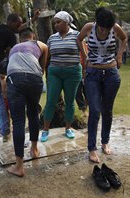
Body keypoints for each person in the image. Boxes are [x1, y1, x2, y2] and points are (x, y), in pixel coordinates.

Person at [77, 7, 127, 163]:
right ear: (97, 23)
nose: (104, 31)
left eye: (107, 29)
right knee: (95, 110)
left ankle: (105, 142)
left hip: (111, 74)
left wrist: (119, 56)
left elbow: (124, 39)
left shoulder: (115, 28)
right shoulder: (88, 27)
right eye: (102, 28)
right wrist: (85, 59)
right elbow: (79, 39)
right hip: (93, 75)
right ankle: (91, 148)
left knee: (107, 110)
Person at [0, 12, 40, 142]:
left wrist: (33, 19)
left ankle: (5, 132)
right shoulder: (10, 35)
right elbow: (14, 53)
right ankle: (18, 118)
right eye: (18, 25)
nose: (19, 27)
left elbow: (17, 28)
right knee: (13, 93)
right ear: (12, 23)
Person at [6, 27, 48, 177]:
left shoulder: (13, 49)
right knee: (33, 114)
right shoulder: (39, 44)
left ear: (20, 38)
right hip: (34, 79)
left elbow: (9, 69)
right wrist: (40, 71)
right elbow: (45, 55)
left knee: (18, 121)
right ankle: (34, 150)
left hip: (15, 79)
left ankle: (19, 167)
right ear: (33, 36)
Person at [40, 11, 82, 142]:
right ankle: (45, 130)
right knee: (51, 101)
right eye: (55, 23)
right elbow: (47, 56)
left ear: (67, 22)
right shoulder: (52, 38)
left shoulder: (77, 36)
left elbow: (84, 53)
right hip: (55, 73)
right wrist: (44, 70)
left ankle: (68, 128)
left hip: (73, 73)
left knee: (70, 102)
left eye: (58, 22)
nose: (56, 25)